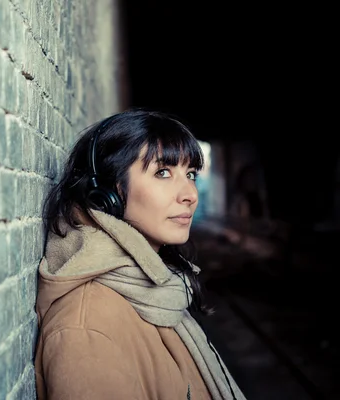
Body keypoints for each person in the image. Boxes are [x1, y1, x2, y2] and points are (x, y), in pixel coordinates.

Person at [33, 108, 246, 400]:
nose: (190, 194)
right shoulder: (87, 330)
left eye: (191, 174)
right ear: (107, 195)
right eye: (163, 173)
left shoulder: (155, 292)